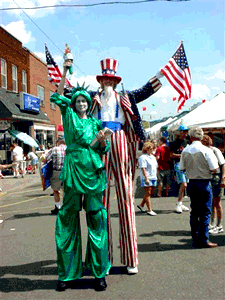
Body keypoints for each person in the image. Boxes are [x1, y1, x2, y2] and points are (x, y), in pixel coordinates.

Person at [60, 57, 163, 274]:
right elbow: (66, 93)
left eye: (111, 80)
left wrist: (164, 73)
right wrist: (64, 69)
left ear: (115, 82)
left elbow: (146, 90)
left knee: (126, 198)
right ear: (101, 81)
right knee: (100, 200)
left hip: (121, 140)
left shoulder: (125, 97)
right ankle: (102, 260)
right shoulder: (91, 98)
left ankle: (131, 258)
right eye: (104, 80)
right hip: (100, 142)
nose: (107, 83)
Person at [50, 71, 111, 292]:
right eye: (78, 100)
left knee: (96, 220)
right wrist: (65, 69)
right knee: (67, 218)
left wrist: (102, 141)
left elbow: (102, 149)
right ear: (74, 103)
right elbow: (56, 98)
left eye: (84, 100)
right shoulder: (69, 116)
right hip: (74, 169)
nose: (82, 103)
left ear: (89, 103)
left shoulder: (95, 123)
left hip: (93, 172)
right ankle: (66, 274)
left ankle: (99, 273)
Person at [180, 127, 219, 248]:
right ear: (201, 136)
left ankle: (195, 237)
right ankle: (204, 239)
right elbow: (214, 168)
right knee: (205, 211)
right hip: (204, 182)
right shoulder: (206, 150)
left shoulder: (185, 150)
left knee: (195, 211)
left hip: (192, 182)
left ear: (190, 137)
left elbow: (182, 167)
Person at [201, 135, 225, 234]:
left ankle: (219, 225)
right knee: (210, 202)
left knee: (217, 202)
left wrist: (223, 178)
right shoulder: (203, 151)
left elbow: (223, 164)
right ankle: (212, 223)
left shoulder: (215, 150)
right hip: (208, 177)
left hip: (216, 177)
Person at [170, 125, 190, 213]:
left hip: (187, 165)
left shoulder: (187, 142)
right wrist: (181, 156)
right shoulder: (174, 143)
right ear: (179, 132)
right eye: (183, 131)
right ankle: (178, 203)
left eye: (186, 131)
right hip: (178, 164)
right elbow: (171, 155)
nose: (185, 133)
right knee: (184, 184)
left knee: (186, 184)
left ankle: (180, 202)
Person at [44, 137, 66, 215]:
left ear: (59, 141)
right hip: (67, 172)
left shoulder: (54, 149)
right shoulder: (69, 149)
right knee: (66, 190)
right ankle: (66, 207)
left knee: (56, 190)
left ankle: (58, 207)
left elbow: (46, 158)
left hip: (56, 171)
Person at [137, 141, 158, 216]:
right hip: (147, 177)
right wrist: (146, 178)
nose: (152, 150)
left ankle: (141, 205)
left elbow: (155, 167)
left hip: (153, 176)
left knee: (150, 192)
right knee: (148, 193)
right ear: (147, 149)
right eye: (151, 148)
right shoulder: (143, 157)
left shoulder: (152, 157)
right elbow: (143, 168)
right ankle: (150, 210)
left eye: (153, 148)